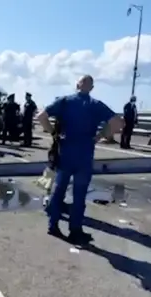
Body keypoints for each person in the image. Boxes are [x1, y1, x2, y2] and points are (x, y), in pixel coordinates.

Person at [35, 75, 124, 244]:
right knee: (79, 194)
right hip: (84, 153)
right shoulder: (96, 105)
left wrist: (53, 132)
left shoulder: (65, 101)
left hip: (65, 151)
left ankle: (53, 225)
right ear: (91, 88)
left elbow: (41, 116)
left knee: (58, 190)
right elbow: (118, 123)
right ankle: (75, 230)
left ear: (77, 85)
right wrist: (99, 136)